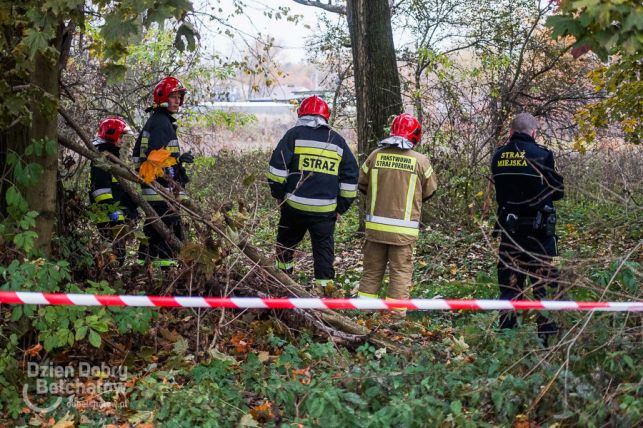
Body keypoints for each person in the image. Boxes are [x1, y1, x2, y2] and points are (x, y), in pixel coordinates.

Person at [267, 95, 359, 296]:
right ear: (326, 116)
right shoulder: (337, 140)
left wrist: (279, 195)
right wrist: (341, 207)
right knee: (323, 253)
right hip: (325, 211)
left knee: (285, 246)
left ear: (301, 114)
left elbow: (276, 169)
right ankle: (324, 293)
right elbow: (351, 177)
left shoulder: (293, 135)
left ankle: (283, 286)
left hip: (294, 207)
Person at [491, 112, 564, 345]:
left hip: (509, 234)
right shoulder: (543, 155)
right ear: (534, 133)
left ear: (510, 133)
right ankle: (547, 341)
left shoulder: (498, 156)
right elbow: (558, 191)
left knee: (510, 286)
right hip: (541, 236)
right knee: (547, 285)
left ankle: (507, 340)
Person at [357, 113, 438, 320]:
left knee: (371, 272)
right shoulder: (421, 161)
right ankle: (395, 318)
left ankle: (364, 314)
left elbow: (362, 184)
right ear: (414, 135)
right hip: (404, 233)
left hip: (375, 230)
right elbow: (430, 192)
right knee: (400, 274)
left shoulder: (375, 156)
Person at [132, 76, 194, 267]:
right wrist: (177, 165)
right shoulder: (161, 123)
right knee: (167, 234)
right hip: (160, 190)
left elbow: (157, 156)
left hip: (154, 189)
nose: (178, 101)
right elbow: (157, 159)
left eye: (179, 97)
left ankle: (143, 272)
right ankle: (166, 278)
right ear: (162, 97)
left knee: (152, 233)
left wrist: (178, 163)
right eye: (173, 96)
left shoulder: (159, 121)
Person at [89, 117, 137, 263]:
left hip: (116, 212)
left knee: (118, 251)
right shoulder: (103, 158)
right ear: (112, 136)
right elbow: (101, 190)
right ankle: (111, 273)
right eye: (121, 137)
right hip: (109, 215)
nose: (122, 141)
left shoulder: (113, 156)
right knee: (113, 252)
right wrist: (114, 212)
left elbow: (118, 187)